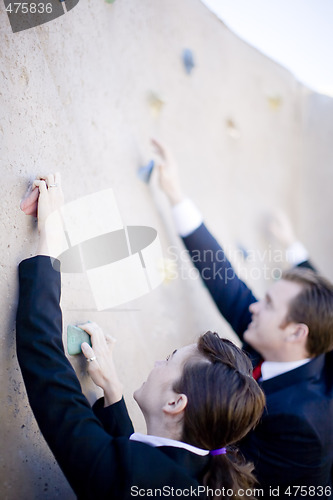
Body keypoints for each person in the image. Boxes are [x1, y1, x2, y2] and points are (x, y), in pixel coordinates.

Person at [16, 174, 266, 500]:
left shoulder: (132, 482)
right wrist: (113, 393)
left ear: (176, 403)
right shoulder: (195, 472)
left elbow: (46, 370)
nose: (158, 361)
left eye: (170, 359)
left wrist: (49, 232)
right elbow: (133, 462)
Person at [152, 139, 333, 499]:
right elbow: (228, 285)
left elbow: (237, 479)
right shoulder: (285, 341)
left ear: (297, 333)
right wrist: (176, 195)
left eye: (267, 304)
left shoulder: (300, 424)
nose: (253, 306)